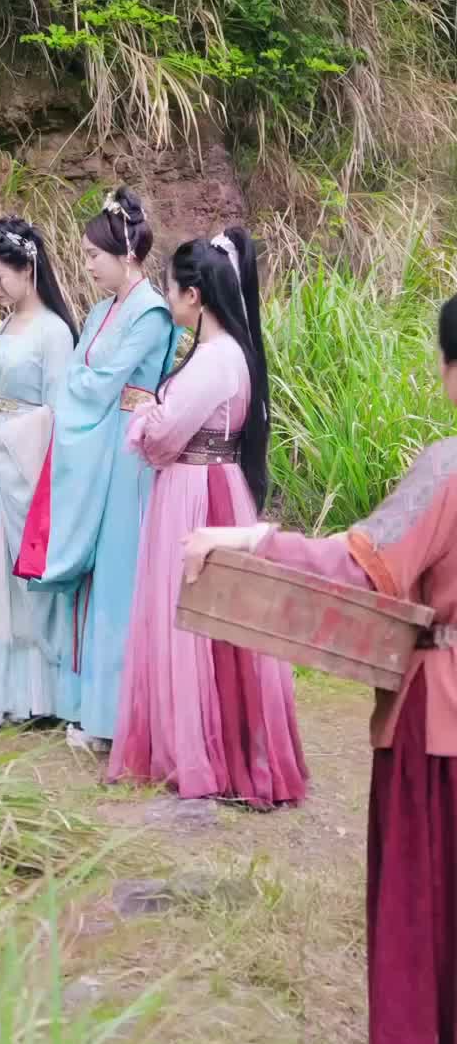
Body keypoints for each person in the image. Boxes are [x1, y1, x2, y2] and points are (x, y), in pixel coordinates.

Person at [182, 292, 457, 1044]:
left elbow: (360, 565)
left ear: (451, 371)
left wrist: (251, 539)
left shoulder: (448, 468)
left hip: (442, 723)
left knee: (429, 904)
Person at [109, 229, 307, 806]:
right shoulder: (232, 355)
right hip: (216, 484)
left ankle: (197, 749)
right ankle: (214, 743)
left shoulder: (215, 359)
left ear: (194, 296)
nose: (169, 300)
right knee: (216, 623)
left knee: (190, 618)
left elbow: (165, 435)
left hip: (194, 491)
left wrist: (145, 415)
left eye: (172, 291)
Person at [15, 189, 178, 748]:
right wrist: (79, 386)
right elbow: (84, 377)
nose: (85, 266)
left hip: (128, 450)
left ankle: (118, 717)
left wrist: (77, 385)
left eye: (92, 255)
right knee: (90, 577)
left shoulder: (152, 313)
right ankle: (86, 706)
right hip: (94, 442)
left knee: (117, 577)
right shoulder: (100, 311)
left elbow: (102, 381)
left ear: (126, 254)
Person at [0, 216, 78, 729]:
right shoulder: (9, 324)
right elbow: (0, 393)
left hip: (24, 468)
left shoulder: (54, 332)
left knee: (23, 580)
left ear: (27, 268)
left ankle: (39, 694)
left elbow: (56, 413)